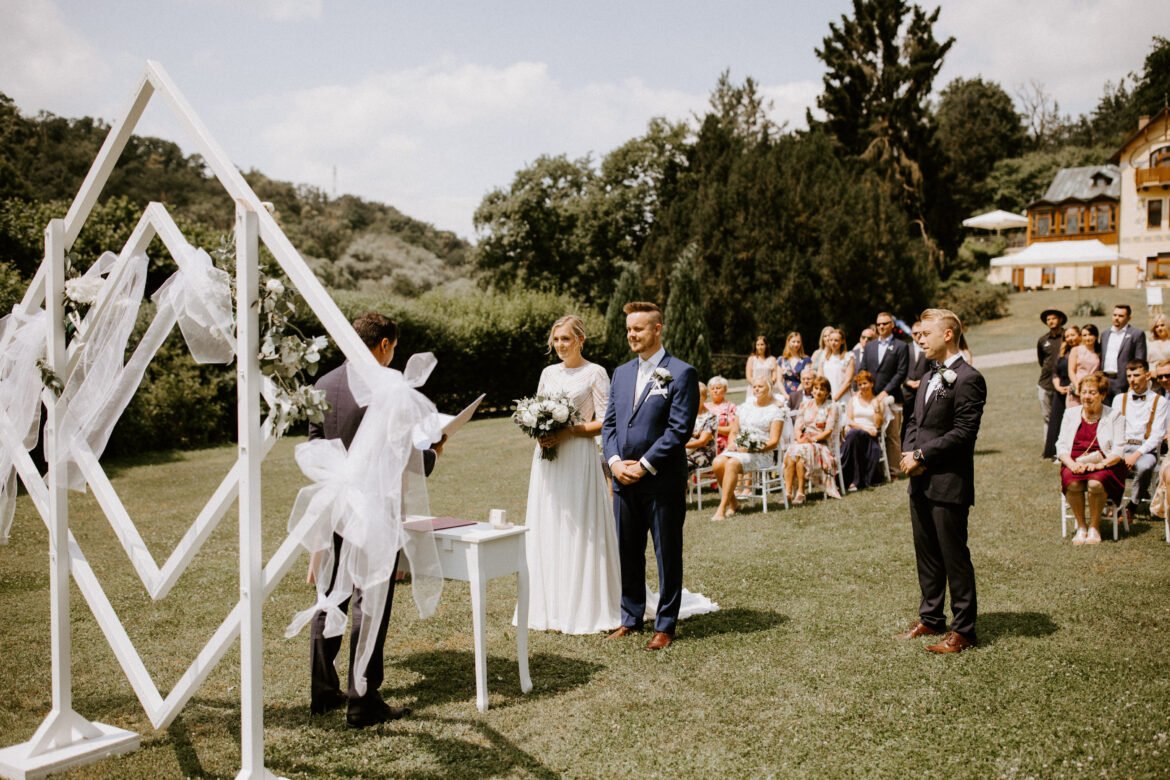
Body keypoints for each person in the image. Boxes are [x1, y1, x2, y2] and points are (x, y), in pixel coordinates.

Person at [309, 312, 443, 727]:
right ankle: (363, 701)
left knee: (330, 594)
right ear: (384, 344)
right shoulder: (388, 385)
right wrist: (434, 453)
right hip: (372, 506)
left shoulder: (323, 382)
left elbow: (315, 446)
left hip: (334, 501)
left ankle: (323, 691)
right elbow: (405, 452)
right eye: (394, 347)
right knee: (371, 602)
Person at [602, 301, 699, 651]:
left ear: (657, 330)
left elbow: (678, 430)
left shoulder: (681, 373)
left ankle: (666, 625)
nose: (631, 335)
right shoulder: (621, 373)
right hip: (623, 480)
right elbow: (610, 424)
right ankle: (631, 617)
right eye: (628, 329)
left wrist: (643, 465)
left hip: (661, 480)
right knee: (628, 550)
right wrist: (615, 463)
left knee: (666, 552)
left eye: (638, 329)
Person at [522, 315, 622, 634]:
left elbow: (605, 421)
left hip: (578, 455)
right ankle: (550, 606)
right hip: (547, 459)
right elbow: (537, 409)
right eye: (556, 339)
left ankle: (585, 604)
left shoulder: (596, 373)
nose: (560, 345)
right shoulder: (548, 373)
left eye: (566, 338)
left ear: (581, 339)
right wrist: (539, 431)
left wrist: (568, 431)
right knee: (550, 522)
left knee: (579, 524)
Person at [897, 308, 987, 654]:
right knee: (927, 554)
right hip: (919, 480)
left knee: (954, 557)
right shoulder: (928, 375)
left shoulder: (968, 378)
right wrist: (909, 454)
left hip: (949, 482)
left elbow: (964, 433)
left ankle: (963, 630)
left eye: (926, 333)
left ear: (948, 334)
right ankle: (931, 617)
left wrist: (922, 456)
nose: (920, 340)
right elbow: (913, 422)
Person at [1056, 372, 1125, 545]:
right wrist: (1071, 465)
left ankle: (1094, 527)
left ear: (1102, 395)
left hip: (1106, 464)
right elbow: (1061, 445)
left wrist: (1100, 465)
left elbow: (1118, 450)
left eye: (1092, 392)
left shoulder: (1114, 416)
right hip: (1075, 462)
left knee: (1095, 483)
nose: (1086, 396)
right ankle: (1081, 526)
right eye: (1084, 392)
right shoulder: (1070, 414)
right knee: (1072, 482)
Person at [709, 377, 785, 521]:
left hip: (762, 453)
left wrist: (752, 448)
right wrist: (732, 444)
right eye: (754, 386)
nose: (756, 389)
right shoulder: (744, 408)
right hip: (739, 448)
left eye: (760, 386)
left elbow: (774, 442)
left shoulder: (776, 411)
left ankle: (722, 508)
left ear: (769, 389)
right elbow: (734, 432)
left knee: (732, 463)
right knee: (717, 462)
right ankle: (734, 503)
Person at [861, 311, 910, 477]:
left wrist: (885, 391)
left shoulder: (901, 346)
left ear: (892, 325)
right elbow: (863, 369)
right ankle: (876, 472)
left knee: (892, 436)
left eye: (885, 323)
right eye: (879, 324)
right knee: (872, 433)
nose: (881, 326)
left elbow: (901, 373)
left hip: (892, 397)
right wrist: (866, 391)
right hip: (870, 398)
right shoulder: (870, 346)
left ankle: (895, 470)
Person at [1115, 359, 1168, 512]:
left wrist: (1136, 455)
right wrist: (1118, 452)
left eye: (1136, 375)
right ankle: (1112, 504)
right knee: (1109, 465)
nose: (1132, 380)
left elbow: (1157, 435)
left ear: (1147, 375)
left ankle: (1132, 506)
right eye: (1129, 376)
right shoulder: (1119, 399)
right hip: (1122, 447)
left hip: (1146, 449)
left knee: (1144, 466)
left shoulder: (1160, 401)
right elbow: (1113, 429)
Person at [784, 375, 840, 504]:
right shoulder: (805, 404)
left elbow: (828, 431)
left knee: (800, 452)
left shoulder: (831, 407)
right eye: (816, 388)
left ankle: (801, 492)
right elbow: (798, 426)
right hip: (804, 441)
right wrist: (799, 438)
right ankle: (788, 492)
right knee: (792, 451)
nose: (818, 391)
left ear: (827, 393)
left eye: (822, 389)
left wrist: (812, 439)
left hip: (821, 444)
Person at [839, 370, 884, 492]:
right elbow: (849, 420)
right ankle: (854, 480)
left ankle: (849, 479)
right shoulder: (853, 400)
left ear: (871, 384)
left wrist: (876, 408)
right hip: (856, 432)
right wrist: (864, 428)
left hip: (870, 437)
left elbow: (878, 424)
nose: (862, 386)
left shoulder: (877, 401)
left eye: (865, 383)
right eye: (860, 384)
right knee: (853, 434)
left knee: (853, 436)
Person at [1043, 325, 1081, 460]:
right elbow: (1055, 373)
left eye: (1073, 335)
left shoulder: (1083, 351)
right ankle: (1056, 451)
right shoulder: (1062, 353)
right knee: (1058, 422)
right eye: (1067, 336)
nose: (1070, 338)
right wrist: (1058, 387)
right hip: (1061, 390)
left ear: (1079, 335)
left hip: (1076, 390)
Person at [1100, 304, 1147, 402]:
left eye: (1121, 316)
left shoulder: (1136, 334)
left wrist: (1133, 382)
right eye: (1115, 315)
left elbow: (1139, 361)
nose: (1116, 318)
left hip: (1123, 382)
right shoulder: (1105, 334)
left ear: (1129, 318)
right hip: (1105, 381)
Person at [1036, 309, 1066, 430]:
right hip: (1045, 384)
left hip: (1063, 384)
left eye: (1053, 318)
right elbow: (1041, 361)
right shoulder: (1043, 340)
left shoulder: (1067, 336)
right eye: (1048, 319)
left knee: (1064, 417)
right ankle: (1048, 442)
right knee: (1047, 417)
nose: (1051, 321)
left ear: (1060, 320)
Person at [1067, 324, 1100, 408]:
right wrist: (1077, 386)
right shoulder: (1076, 350)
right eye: (1084, 335)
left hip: (1093, 389)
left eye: (1090, 335)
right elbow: (1071, 371)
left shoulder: (1099, 352)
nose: (1087, 338)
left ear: (1096, 336)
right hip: (1077, 387)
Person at [686, 382, 718, 470]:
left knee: (678, 464)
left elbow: (702, 442)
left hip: (703, 453)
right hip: (684, 451)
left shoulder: (710, 417)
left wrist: (680, 446)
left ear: (705, 397)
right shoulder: (686, 415)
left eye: (698, 396)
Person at [819, 328, 855, 404]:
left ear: (842, 341)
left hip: (843, 397)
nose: (833, 343)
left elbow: (848, 381)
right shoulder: (824, 357)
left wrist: (836, 398)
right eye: (831, 340)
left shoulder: (848, 357)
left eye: (836, 340)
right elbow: (820, 378)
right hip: (826, 397)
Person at [706, 376, 737, 454]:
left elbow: (732, 429)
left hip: (723, 445)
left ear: (725, 389)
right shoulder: (704, 407)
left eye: (718, 388)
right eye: (712, 388)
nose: (715, 391)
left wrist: (712, 428)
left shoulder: (730, 406)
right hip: (704, 443)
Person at [745, 335, 779, 400]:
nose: (760, 347)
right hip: (754, 390)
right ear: (755, 346)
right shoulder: (751, 359)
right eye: (758, 345)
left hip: (768, 390)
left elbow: (774, 376)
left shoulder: (772, 359)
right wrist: (757, 386)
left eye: (762, 344)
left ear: (766, 345)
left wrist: (767, 385)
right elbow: (748, 376)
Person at [778, 331, 810, 397]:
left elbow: (807, 379)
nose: (796, 344)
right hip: (785, 394)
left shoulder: (806, 360)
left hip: (801, 393)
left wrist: (796, 395)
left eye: (798, 342)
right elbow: (779, 381)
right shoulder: (781, 360)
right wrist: (786, 396)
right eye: (793, 341)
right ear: (788, 342)